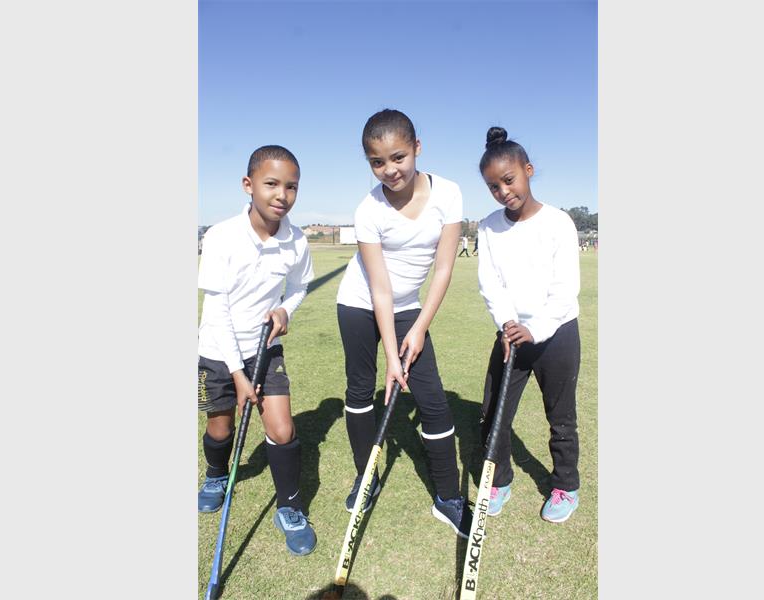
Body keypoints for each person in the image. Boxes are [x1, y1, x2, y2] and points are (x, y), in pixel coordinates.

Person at [336, 109, 472, 537]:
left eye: (398, 157)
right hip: (360, 303)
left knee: (432, 399)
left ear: (417, 148)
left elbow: (444, 269)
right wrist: (392, 357)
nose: (390, 170)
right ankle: (366, 478)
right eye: (377, 162)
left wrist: (418, 328)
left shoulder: (448, 193)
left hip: (410, 306)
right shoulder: (368, 209)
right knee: (361, 391)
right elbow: (379, 290)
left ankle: (448, 498)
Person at [197, 145, 317, 556]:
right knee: (220, 429)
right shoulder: (221, 236)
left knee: (282, 431)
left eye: (291, 186)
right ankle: (216, 473)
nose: (282, 195)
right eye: (271, 184)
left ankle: (289, 507)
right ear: (249, 185)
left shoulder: (296, 240)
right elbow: (217, 312)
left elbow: (299, 287)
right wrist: (238, 374)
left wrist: (285, 309)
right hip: (218, 351)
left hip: (266, 348)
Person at [476, 127, 582, 523]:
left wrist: (535, 329)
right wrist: (508, 323)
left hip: (557, 335)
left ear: (528, 171)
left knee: (561, 416)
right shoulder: (488, 226)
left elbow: (565, 289)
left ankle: (565, 485)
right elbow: (491, 282)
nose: (503, 191)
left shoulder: (558, 222)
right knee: (494, 413)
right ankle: (499, 480)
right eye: (493, 186)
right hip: (511, 335)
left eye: (509, 180)